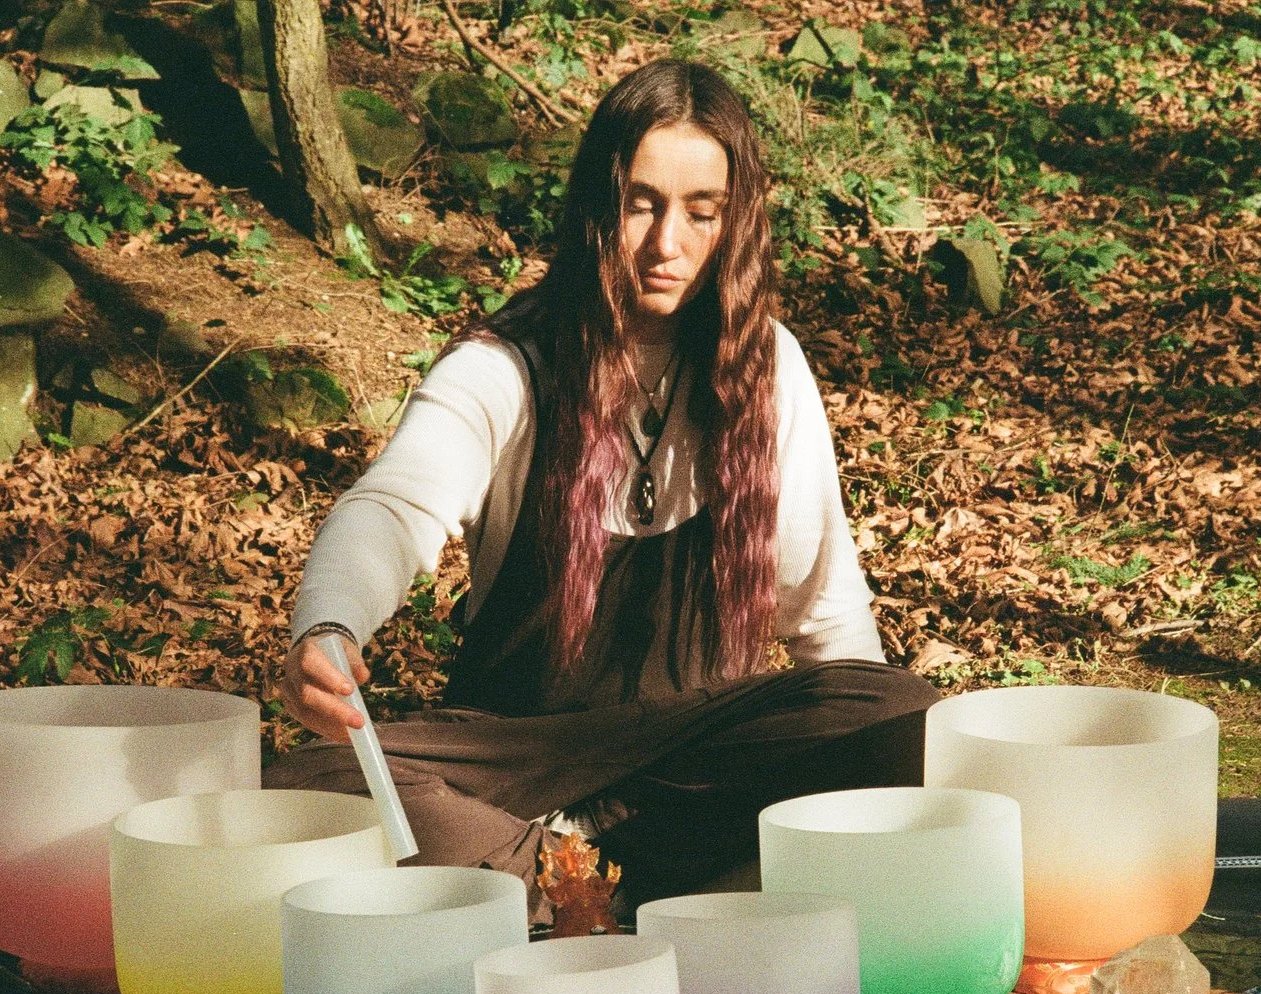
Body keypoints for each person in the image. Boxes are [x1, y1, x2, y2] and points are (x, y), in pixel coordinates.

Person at [270, 58, 933, 914]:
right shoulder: (508, 364)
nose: (668, 244)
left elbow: (827, 617)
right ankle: (614, 893)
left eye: (702, 212)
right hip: (513, 767)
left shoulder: (769, 371)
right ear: (599, 205)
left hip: (686, 772)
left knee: (900, 712)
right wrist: (328, 624)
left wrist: (862, 771)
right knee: (315, 785)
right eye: (642, 203)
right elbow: (390, 507)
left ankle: (567, 897)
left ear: (735, 224)